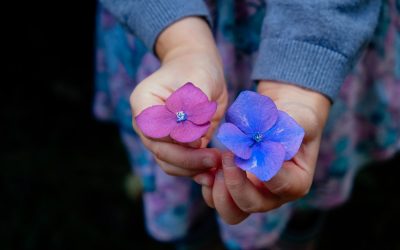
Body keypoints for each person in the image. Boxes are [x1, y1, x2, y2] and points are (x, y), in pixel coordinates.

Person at [94, 0, 400, 249]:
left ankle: (295, 230)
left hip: (322, 40)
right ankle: (192, 230)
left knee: (298, 184)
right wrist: (181, 44)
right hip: (170, 30)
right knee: (190, 178)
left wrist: (301, 78)